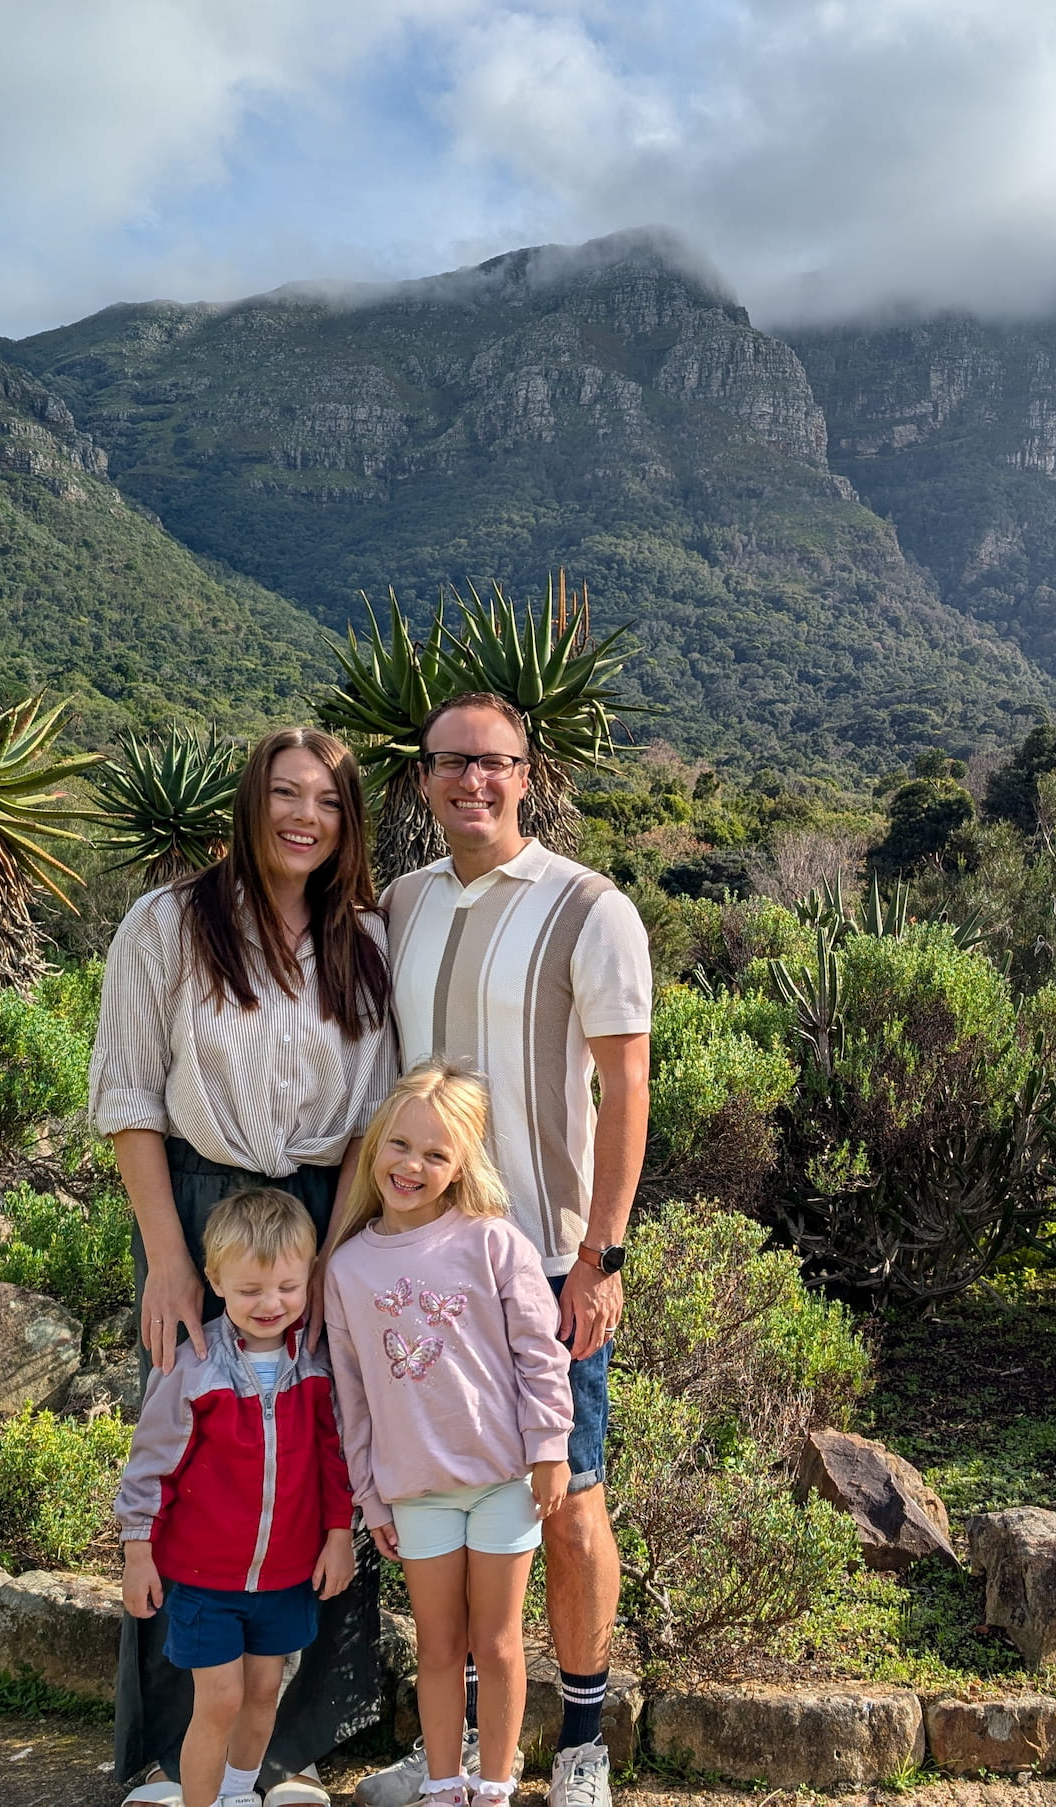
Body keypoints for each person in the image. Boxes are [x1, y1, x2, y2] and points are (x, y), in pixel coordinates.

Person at [90, 725, 396, 1806]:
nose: (305, 816)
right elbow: (130, 1097)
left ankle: (288, 1750)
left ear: (349, 822)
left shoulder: (365, 939)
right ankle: (168, 1756)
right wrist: (168, 1259)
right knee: (196, 1455)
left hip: (320, 1220)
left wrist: (344, 1261)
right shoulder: (168, 923)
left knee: (319, 1447)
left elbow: (371, 1122)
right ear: (250, 800)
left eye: (329, 800)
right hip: (201, 1213)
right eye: (286, 793)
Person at [357, 692, 650, 1807]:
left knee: (568, 1499)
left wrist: (603, 1256)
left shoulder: (590, 908)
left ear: (528, 774)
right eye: (451, 762)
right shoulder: (402, 903)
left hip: (547, 1266)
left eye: (494, 763)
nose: (471, 781)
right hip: (421, 1266)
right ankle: (461, 1754)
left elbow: (627, 1086)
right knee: (439, 1501)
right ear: (424, 778)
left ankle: (581, 1744)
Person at [323, 1062, 574, 1807]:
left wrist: (550, 1448)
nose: (412, 1165)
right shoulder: (348, 1268)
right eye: (400, 1145)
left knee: (496, 1642)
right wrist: (371, 1496)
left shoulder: (494, 1242)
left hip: (503, 1483)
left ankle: (493, 1785)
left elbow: (539, 1353)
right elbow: (352, 1398)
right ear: (375, 1145)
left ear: (462, 1163)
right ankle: (442, 1783)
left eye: (436, 1154)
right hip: (418, 1493)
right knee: (437, 1645)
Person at [116, 1189, 356, 1807]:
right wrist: (138, 1551)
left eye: (287, 1287)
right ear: (215, 1281)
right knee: (219, 1699)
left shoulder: (318, 1365)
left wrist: (339, 1536)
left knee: (263, 1693)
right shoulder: (192, 1367)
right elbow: (151, 1466)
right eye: (250, 1290)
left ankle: (238, 1792)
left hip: (287, 1577)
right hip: (206, 1582)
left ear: (310, 1277)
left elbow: (336, 1461)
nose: (270, 1304)